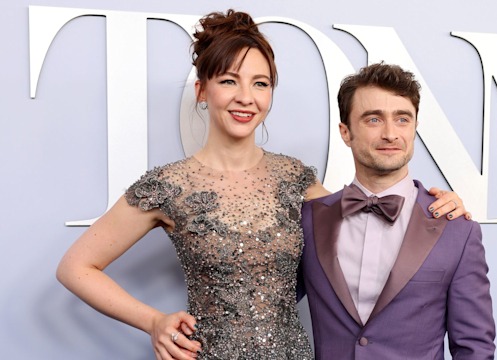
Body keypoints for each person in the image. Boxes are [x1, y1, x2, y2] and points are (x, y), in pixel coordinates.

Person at [56, 10, 468, 360]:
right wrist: (153, 321)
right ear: (202, 91)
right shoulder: (168, 186)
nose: (246, 98)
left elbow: (369, 215)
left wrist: (435, 206)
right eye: (229, 81)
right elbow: (75, 267)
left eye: (260, 83)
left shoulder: (296, 179)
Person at [300, 63, 496, 359]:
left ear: (414, 128)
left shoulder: (457, 229)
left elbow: (474, 347)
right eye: (373, 119)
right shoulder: (308, 219)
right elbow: (261, 303)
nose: (391, 134)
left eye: (402, 119)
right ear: (345, 132)